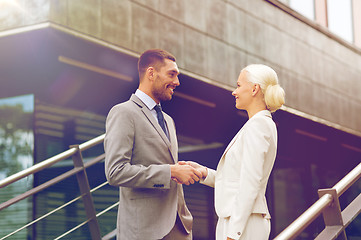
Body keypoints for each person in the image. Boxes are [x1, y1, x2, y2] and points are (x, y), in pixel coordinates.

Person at [104, 49, 202, 240]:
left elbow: (163, 162)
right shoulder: (124, 113)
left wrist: (180, 170)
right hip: (144, 231)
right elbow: (115, 172)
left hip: (179, 227)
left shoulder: (168, 120)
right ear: (151, 73)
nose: (177, 82)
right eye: (171, 74)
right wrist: (170, 172)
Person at [183, 64, 285, 240]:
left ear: (254, 89)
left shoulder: (258, 125)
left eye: (238, 85)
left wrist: (233, 233)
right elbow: (237, 180)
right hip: (241, 220)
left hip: (244, 224)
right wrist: (204, 173)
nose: (234, 92)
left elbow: (250, 182)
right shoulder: (258, 124)